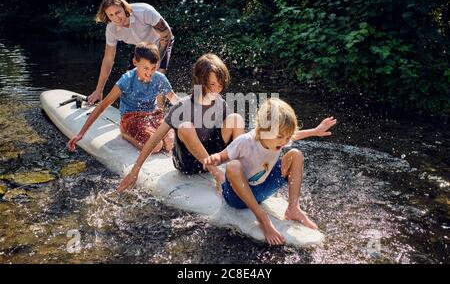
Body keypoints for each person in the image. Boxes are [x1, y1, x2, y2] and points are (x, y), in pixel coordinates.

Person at [203, 98, 337, 245]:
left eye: (287, 137)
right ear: (263, 130)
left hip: (262, 190)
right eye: (280, 137)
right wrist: (214, 158)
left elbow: (293, 136)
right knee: (233, 166)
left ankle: (293, 208)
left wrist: (315, 131)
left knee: (296, 154)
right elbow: (223, 156)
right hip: (238, 197)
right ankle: (262, 218)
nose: (285, 141)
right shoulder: (246, 141)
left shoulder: (279, 139)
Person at [117, 53, 245, 193]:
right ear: (200, 82)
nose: (216, 90)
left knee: (236, 119)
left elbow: (236, 138)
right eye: (212, 84)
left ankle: (242, 171)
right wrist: (135, 171)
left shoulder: (221, 103)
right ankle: (218, 175)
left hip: (212, 157)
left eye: (220, 85)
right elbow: (154, 139)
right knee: (185, 126)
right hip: (188, 162)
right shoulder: (182, 106)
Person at [68, 42, 179, 153]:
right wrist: (81, 133)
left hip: (153, 116)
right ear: (135, 62)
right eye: (146, 68)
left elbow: (174, 99)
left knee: (170, 143)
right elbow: (103, 106)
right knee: (156, 146)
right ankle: (125, 134)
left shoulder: (160, 78)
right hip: (131, 118)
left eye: (153, 68)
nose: (150, 73)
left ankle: (154, 134)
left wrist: (193, 110)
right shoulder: (126, 80)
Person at [88, 0, 174, 105]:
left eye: (118, 12)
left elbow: (166, 35)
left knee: (157, 77)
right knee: (130, 80)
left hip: (161, 42)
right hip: (141, 46)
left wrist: (156, 64)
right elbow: (108, 59)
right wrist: (99, 90)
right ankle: (133, 113)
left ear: (124, 8)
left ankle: (159, 116)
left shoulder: (144, 12)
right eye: (111, 15)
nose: (116, 18)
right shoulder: (111, 29)